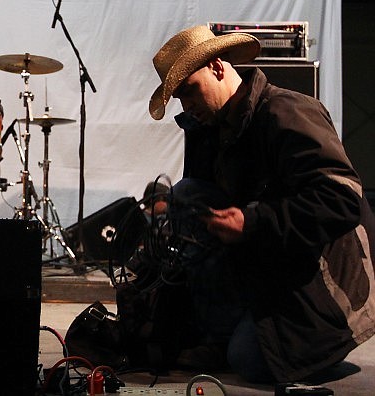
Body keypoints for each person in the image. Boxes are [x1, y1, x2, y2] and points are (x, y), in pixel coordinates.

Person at [146, 24, 375, 383]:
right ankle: (228, 329)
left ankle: (317, 345)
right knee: (187, 195)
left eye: (190, 91)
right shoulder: (209, 128)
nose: (187, 105)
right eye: (179, 99)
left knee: (248, 360)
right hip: (275, 262)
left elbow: (342, 199)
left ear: (218, 68)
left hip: (327, 282)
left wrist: (252, 222)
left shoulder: (288, 112)